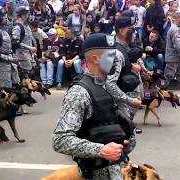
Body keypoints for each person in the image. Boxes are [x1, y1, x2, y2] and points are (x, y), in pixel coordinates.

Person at [53, 33, 133, 179]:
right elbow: (60, 140)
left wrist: (120, 140)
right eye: (110, 56)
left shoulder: (108, 86)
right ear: (95, 59)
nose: (116, 60)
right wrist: (101, 150)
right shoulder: (79, 93)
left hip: (118, 170)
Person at [106, 10, 142, 133]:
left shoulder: (124, 46)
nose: (133, 31)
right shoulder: (115, 50)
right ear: (121, 31)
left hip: (122, 96)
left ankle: (127, 124)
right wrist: (130, 100)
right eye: (130, 28)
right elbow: (109, 84)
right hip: (117, 99)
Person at [12, 6, 37, 80]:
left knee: (34, 72)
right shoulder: (17, 27)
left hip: (29, 55)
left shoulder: (27, 26)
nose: (28, 16)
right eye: (26, 14)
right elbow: (15, 42)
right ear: (22, 15)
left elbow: (29, 40)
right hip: (21, 56)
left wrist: (32, 50)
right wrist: (29, 48)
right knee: (24, 77)